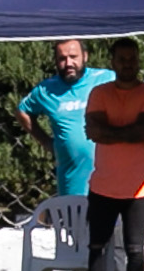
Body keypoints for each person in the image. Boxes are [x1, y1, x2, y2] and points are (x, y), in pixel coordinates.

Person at [81, 37, 144, 271]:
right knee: (97, 246)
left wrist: (111, 132)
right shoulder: (100, 93)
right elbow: (94, 131)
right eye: (122, 59)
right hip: (103, 185)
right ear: (112, 62)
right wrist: (134, 134)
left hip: (139, 187)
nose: (127, 64)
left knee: (135, 250)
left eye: (132, 59)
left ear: (138, 61)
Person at [16, 39, 105, 201]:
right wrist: (46, 142)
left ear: (85, 56)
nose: (69, 63)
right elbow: (23, 111)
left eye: (73, 57)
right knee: (75, 218)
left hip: (110, 183)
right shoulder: (46, 90)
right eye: (62, 58)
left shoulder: (106, 79)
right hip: (73, 184)